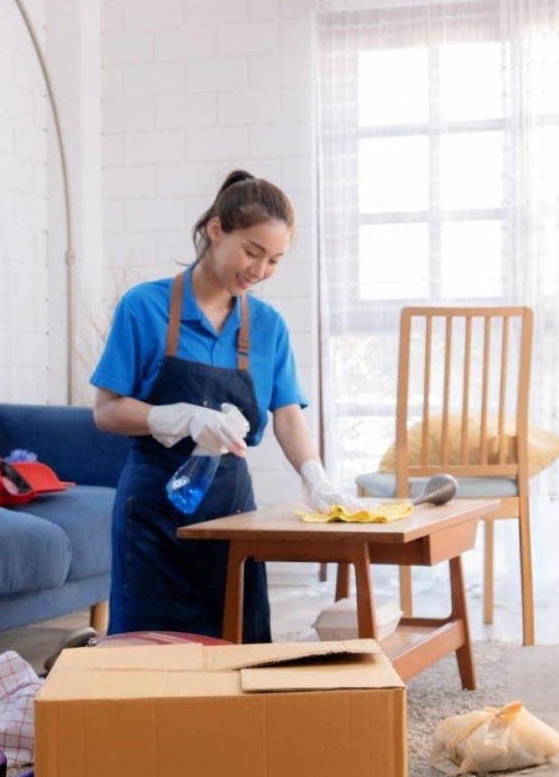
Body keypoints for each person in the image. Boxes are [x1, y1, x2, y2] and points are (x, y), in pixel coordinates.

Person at [90, 171, 361, 641]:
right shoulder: (144, 307)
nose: (259, 271)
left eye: (274, 260)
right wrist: (171, 416)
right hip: (152, 514)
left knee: (240, 649)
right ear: (216, 230)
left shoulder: (268, 325)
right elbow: (106, 410)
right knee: (146, 659)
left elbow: (288, 415)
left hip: (232, 513)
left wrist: (314, 477)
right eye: (252, 251)